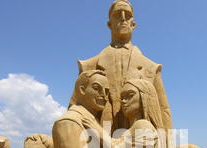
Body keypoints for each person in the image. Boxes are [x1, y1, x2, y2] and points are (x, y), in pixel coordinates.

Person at [71, 0, 172, 133]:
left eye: (128, 15)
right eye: (118, 14)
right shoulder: (89, 65)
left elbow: (163, 111)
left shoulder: (151, 68)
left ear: (133, 24)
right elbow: (74, 109)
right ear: (109, 24)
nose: (123, 18)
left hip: (140, 143)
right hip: (98, 145)